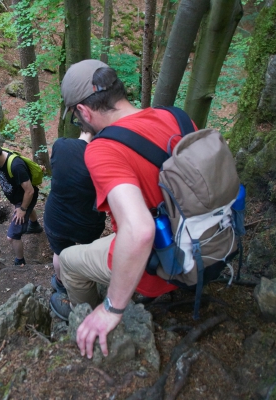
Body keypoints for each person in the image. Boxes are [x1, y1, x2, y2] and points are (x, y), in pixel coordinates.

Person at [50, 59, 196, 359]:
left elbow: (140, 230)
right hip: (205, 240)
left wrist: (112, 308)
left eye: (78, 120)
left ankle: (86, 318)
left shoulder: (103, 149)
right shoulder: (177, 117)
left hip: (163, 263)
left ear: (83, 111)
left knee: (67, 261)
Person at [44, 131, 106, 296]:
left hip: (56, 218)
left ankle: (61, 283)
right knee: (87, 254)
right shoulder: (103, 158)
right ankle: (85, 285)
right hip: (87, 223)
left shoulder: (60, 145)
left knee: (60, 253)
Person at [0, 141, 43, 265]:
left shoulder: (16, 166)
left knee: (12, 237)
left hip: (24, 197)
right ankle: (34, 226)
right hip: (17, 196)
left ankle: (20, 262)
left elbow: (29, 191)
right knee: (29, 209)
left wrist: (22, 209)